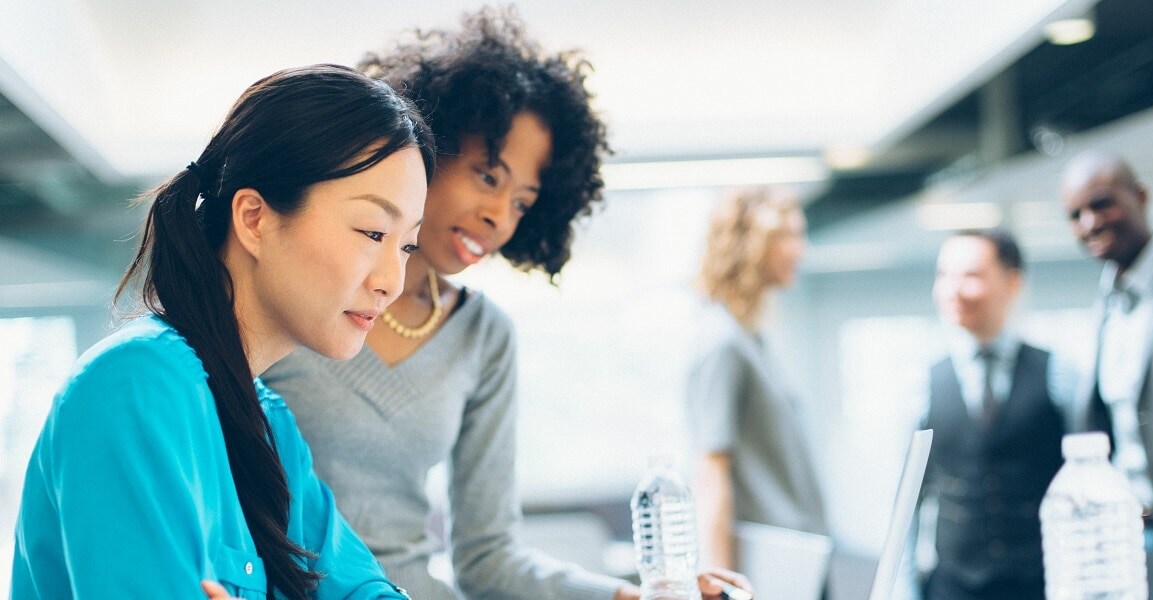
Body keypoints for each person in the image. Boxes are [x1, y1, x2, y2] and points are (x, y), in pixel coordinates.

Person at [261, 8, 749, 600]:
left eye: (523, 201)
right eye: (488, 177)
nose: (500, 216)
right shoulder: (296, 295)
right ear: (425, 146)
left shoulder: (483, 336)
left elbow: (488, 559)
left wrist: (633, 597)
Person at [12, 64, 436, 599]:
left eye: (406, 246)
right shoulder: (135, 387)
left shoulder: (268, 425)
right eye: (372, 232)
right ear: (255, 218)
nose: (390, 282)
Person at [917, 229, 1076, 600]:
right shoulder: (922, 382)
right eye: (943, 275)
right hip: (951, 587)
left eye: (970, 276)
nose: (952, 289)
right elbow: (909, 500)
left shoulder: (1060, 373)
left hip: (1042, 584)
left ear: (1012, 282)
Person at [1060, 151, 1153, 550]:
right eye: (1075, 215)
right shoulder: (1106, 305)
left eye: (1101, 203)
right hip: (1125, 538)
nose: (1089, 223)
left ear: (1139, 195)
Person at [684, 187, 828, 572]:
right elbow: (712, 473)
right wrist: (721, 584)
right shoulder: (722, 343)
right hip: (767, 571)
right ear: (752, 244)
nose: (800, 250)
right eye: (788, 236)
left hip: (796, 561)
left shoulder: (752, 342)